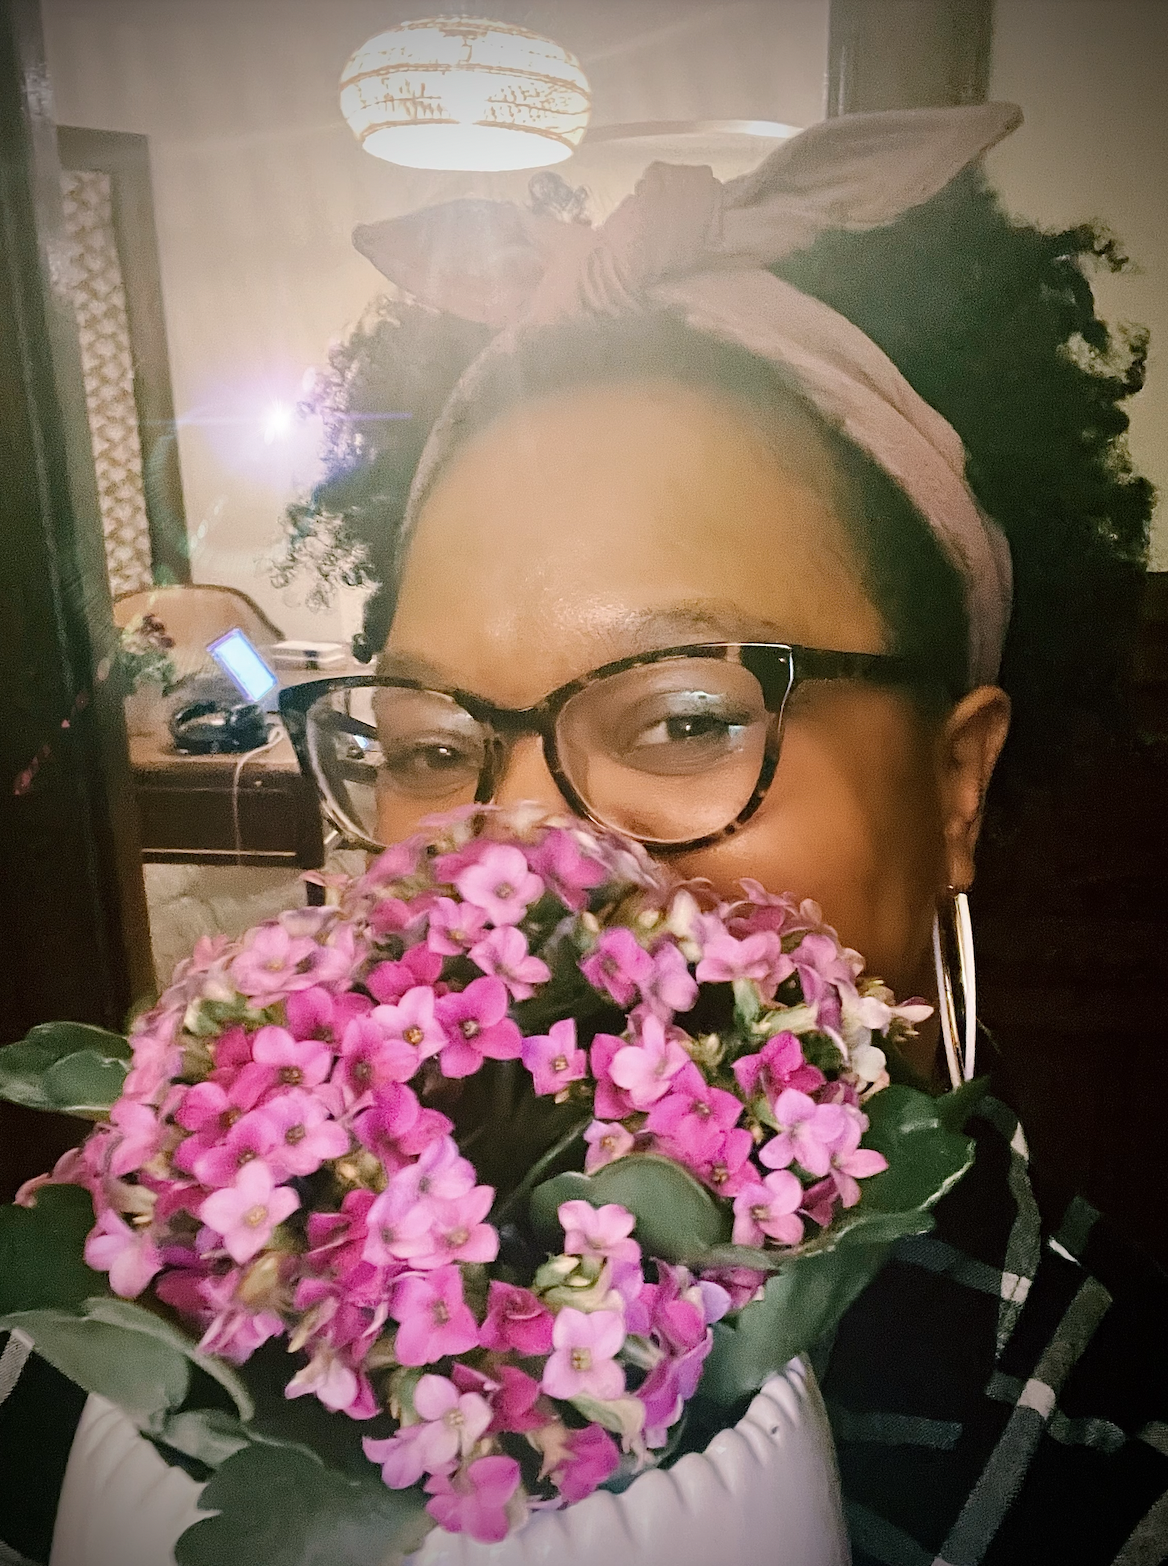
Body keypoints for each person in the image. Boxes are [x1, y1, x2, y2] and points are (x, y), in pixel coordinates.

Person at [3, 105, 1165, 1566]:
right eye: (435, 747)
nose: (523, 855)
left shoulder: (1109, 1458)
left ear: (955, 788)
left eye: (687, 717)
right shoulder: (105, 1361)